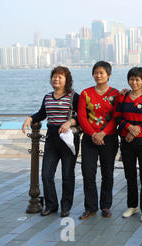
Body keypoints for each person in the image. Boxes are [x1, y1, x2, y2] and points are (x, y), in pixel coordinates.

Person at [22, 66, 80, 217]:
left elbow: (82, 116)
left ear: (67, 80)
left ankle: (66, 206)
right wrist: (31, 118)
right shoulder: (48, 96)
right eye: (55, 76)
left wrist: (70, 123)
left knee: (67, 175)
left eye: (60, 77)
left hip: (68, 139)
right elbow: (42, 113)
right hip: (51, 139)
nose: (56, 79)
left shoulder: (74, 96)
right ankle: (51, 205)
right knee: (47, 174)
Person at [77, 61, 119, 220]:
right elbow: (81, 117)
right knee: (88, 173)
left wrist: (103, 133)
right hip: (89, 138)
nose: (98, 75)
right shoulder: (85, 94)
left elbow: (117, 117)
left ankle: (106, 206)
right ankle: (90, 207)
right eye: (96, 72)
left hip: (109, 138)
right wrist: (94, 134)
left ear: (109, 75)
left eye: (102, 73)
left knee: (107, 173)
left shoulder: (116, 94)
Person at [115, 67, 142, 222]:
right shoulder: (123, 97)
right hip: (126, 141)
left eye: (137, 79)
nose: (134, 82)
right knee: (130, 175)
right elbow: (117, 117)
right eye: (132, 79)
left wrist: (138, 129)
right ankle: (132, 206)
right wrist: (129, 128)